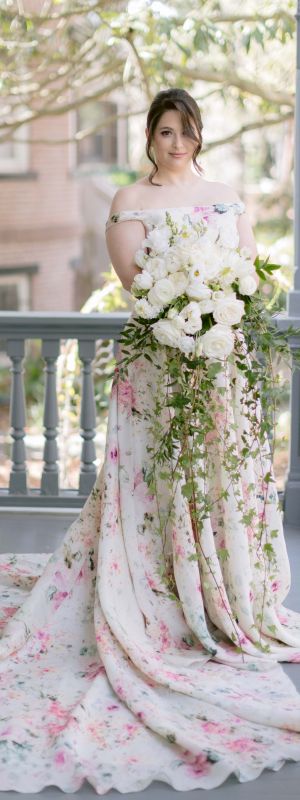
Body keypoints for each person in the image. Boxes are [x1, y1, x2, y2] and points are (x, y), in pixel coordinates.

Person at [0, 87, 299, 794]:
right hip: (157, 370)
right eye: (165, 131)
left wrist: (223, 309)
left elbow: (250, 281)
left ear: (200, 134)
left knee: (218, 485)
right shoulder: (129, 202)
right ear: (150, 136)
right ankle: (152, 598)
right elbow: (139, 288)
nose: (177, 141)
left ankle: (218, 598)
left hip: (220, 368)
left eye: (187, 129)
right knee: (152, 487)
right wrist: (187, 306)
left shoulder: (226, 196)